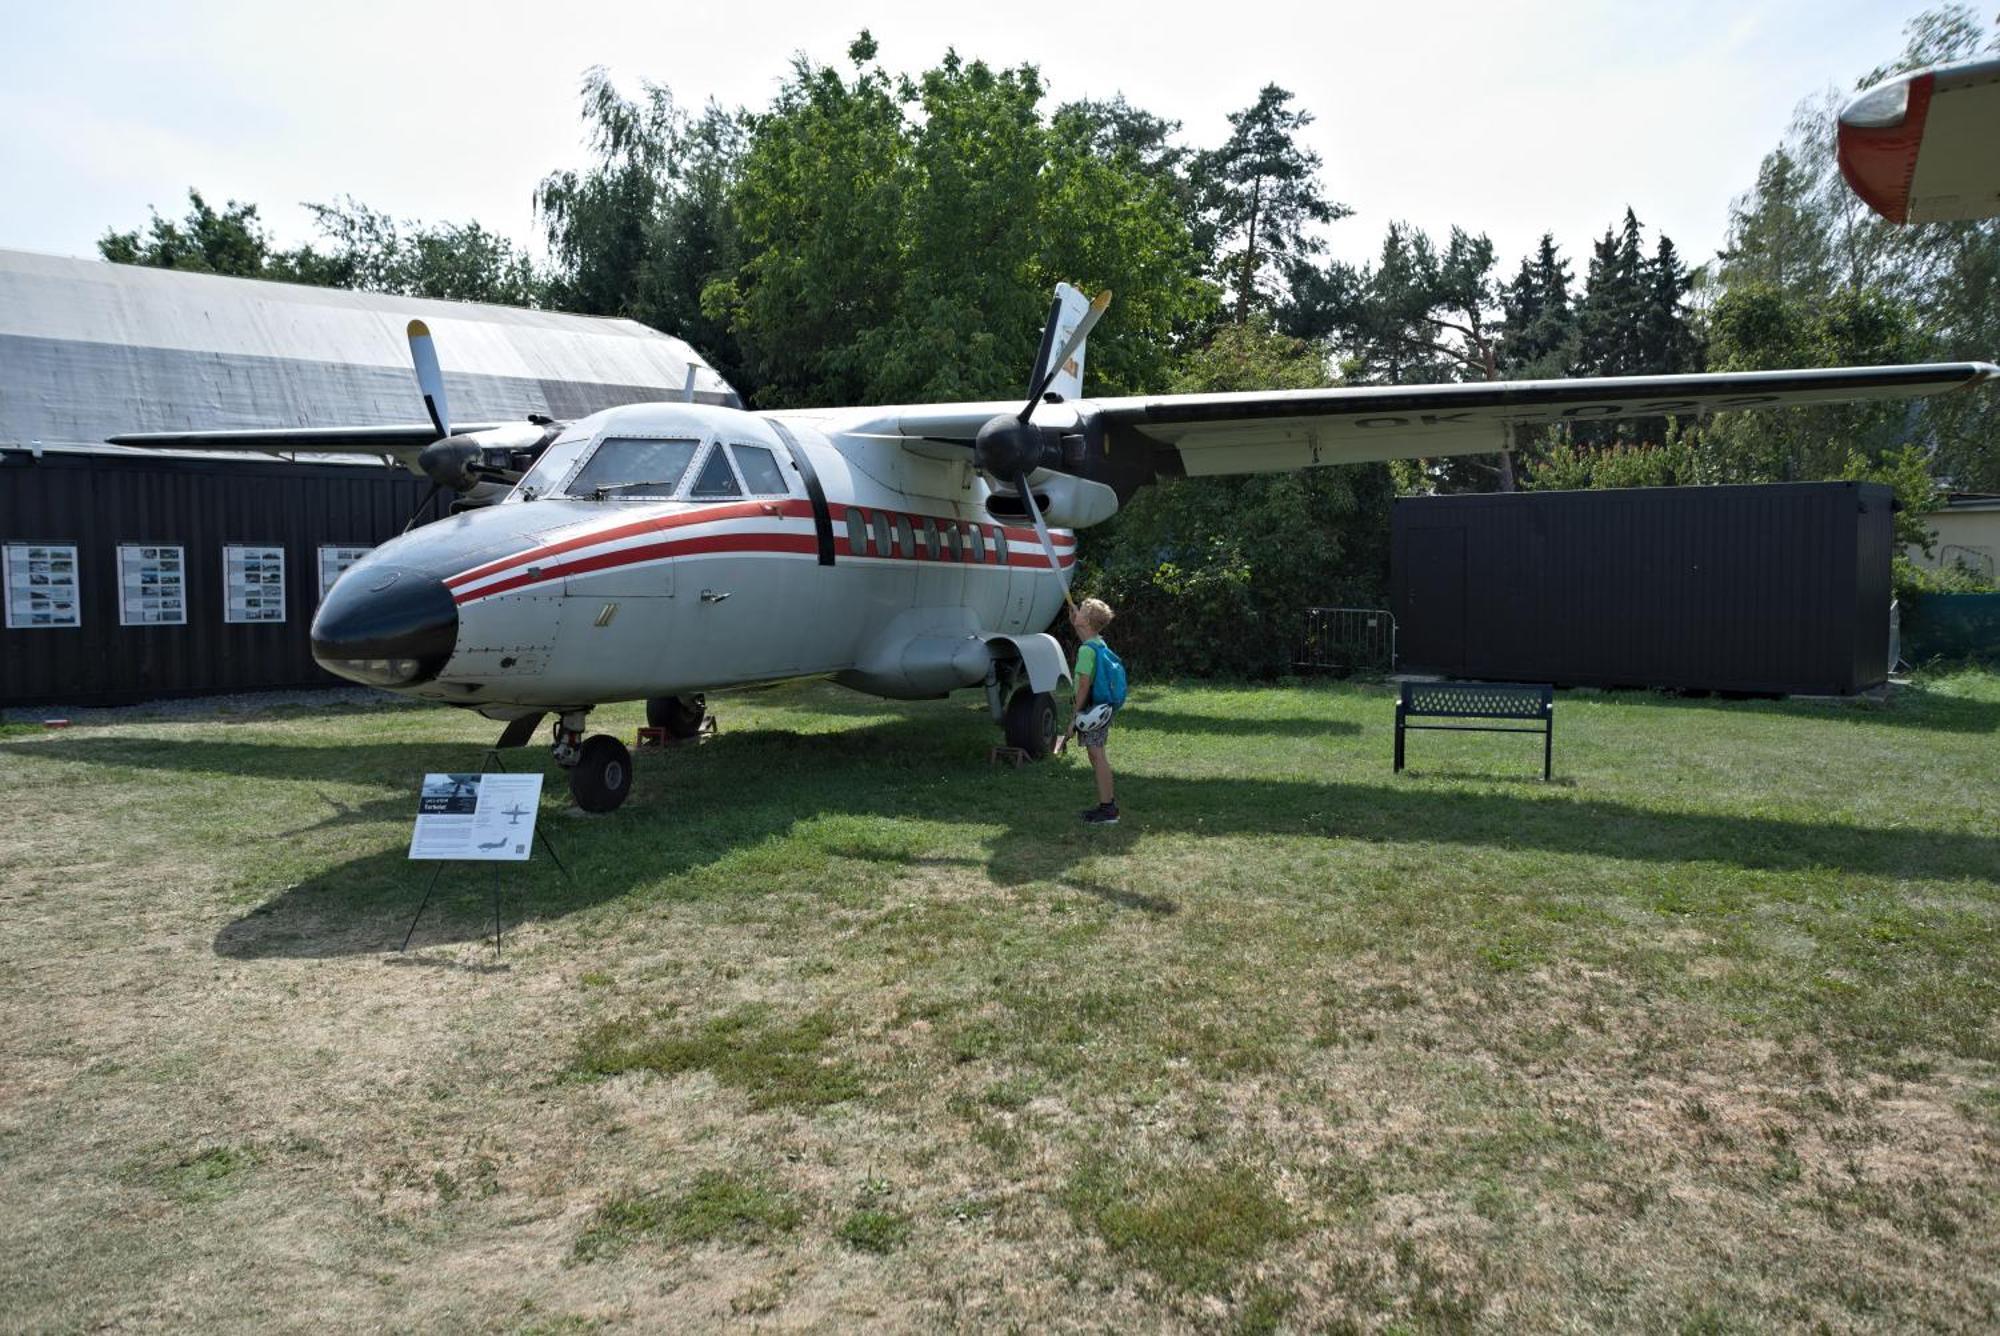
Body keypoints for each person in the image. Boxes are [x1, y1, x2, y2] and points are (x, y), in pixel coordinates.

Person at [1059, 596, 1120, 824]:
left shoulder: (1087, 651)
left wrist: (1074, 716)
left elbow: (1084, 684)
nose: (1078, 610)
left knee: (1096, 754)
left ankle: (1108, 810)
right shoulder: (1097, 642)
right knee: (1097, 755)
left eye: (1082, 610)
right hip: (1101, 706)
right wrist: (1076, 620)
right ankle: (1107, 806)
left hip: (1092, 709)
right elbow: (1086, 638)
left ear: (1087, 621)